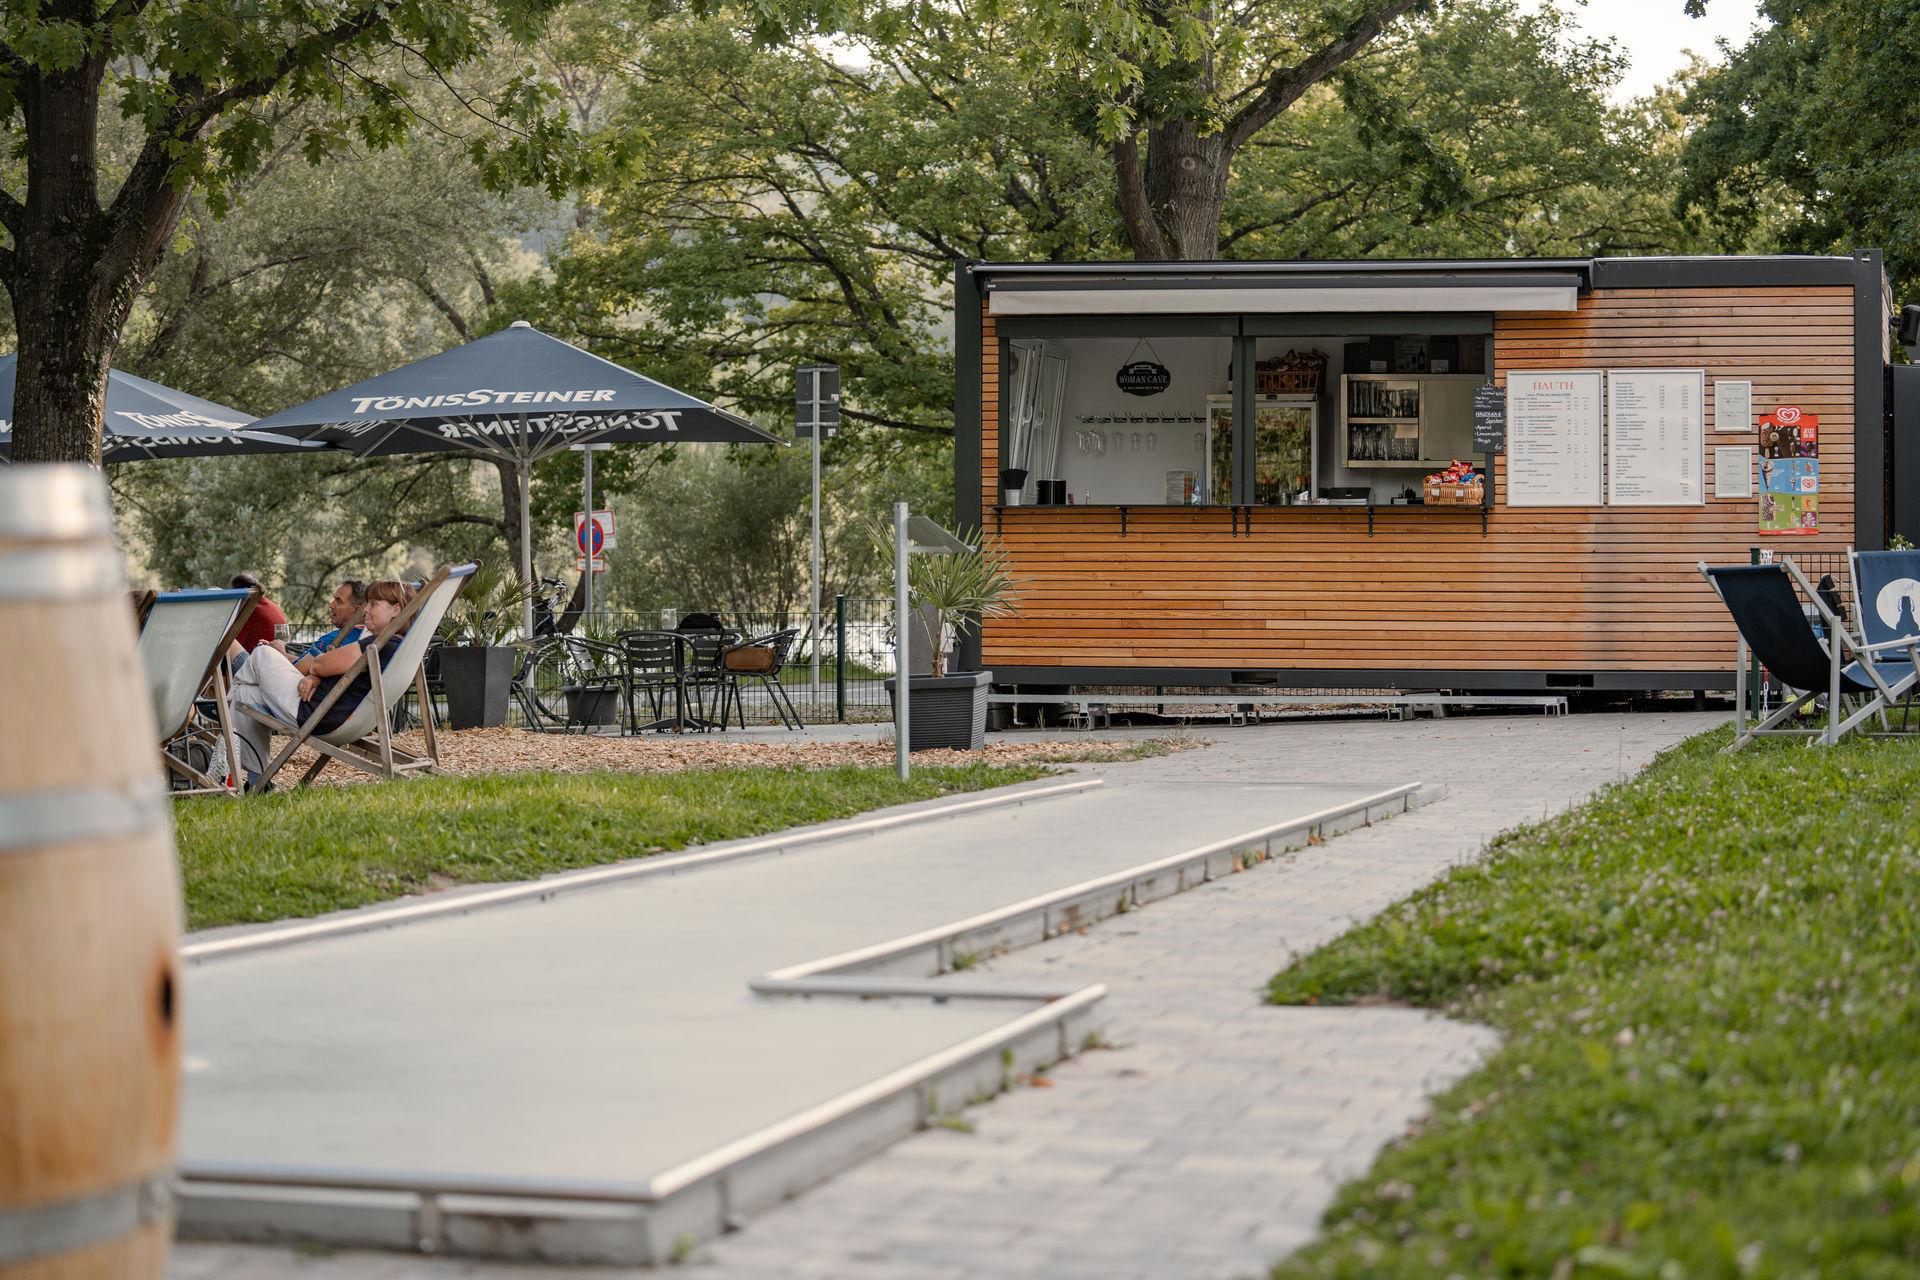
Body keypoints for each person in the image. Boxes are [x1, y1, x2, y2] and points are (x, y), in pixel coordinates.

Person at [210, 579, 411, 790]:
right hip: (330, 713)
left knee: (262, 653)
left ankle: (222, 765)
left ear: (396, 609)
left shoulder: (380, 644)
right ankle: (258, 782)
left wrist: (316, 673)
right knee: (245, 694)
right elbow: (328, 668)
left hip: (313, 712)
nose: (366, 610)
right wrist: (317, 676)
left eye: (373, 604)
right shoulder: (396, 647)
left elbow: (319, 664)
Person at [230, 572, 288, 653]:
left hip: (261, 658)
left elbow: (233, 642)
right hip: (280, 656)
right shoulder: (273, 605)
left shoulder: (249, 610)